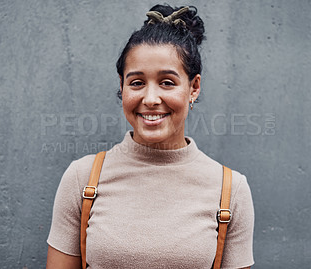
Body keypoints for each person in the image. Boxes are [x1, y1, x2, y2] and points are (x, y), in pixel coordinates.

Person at [46, 4, 254, 269]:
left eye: (167, 82)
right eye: (136, 83)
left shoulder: (231, 190)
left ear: (194, 87)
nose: (151, 99)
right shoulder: (82, 178)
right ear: (121, 87)